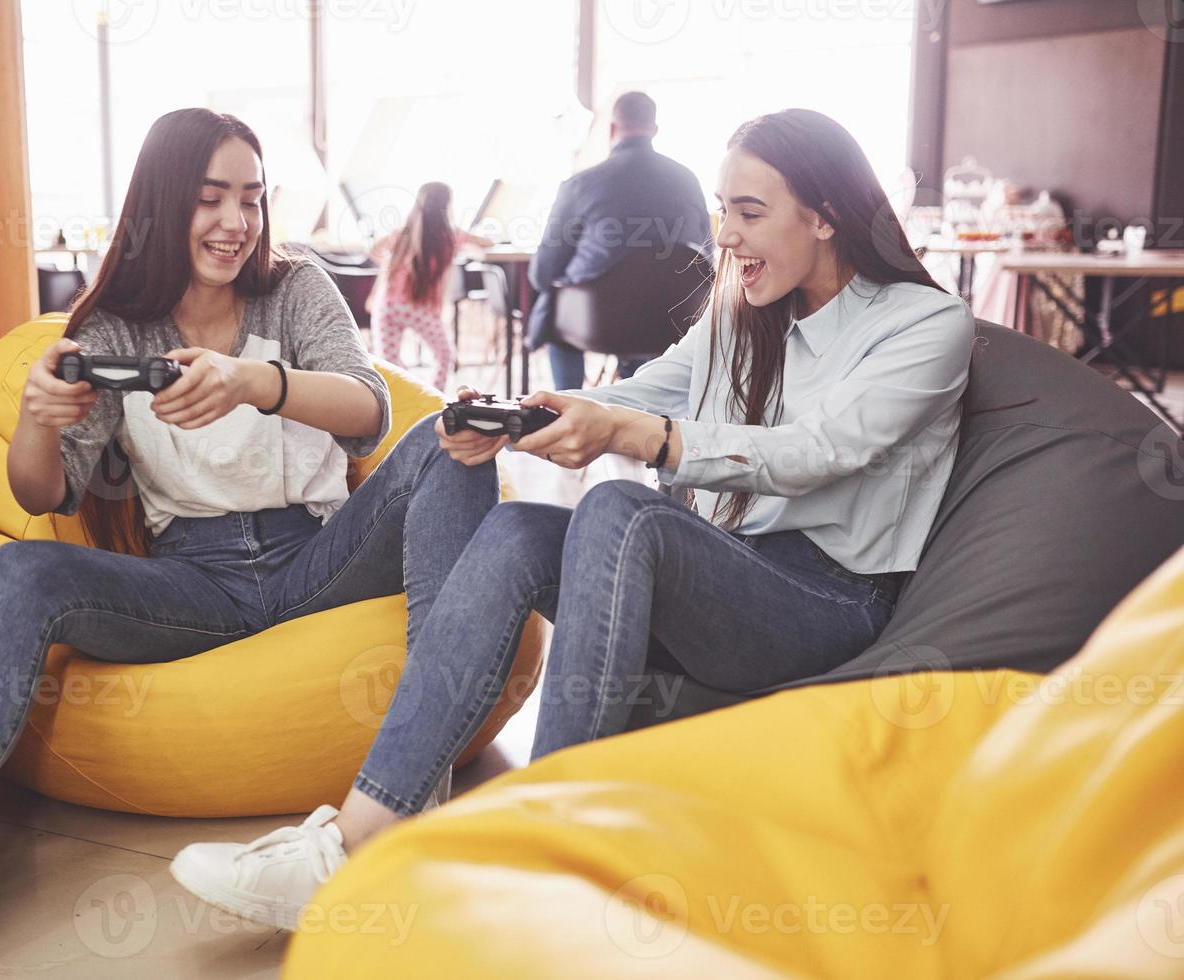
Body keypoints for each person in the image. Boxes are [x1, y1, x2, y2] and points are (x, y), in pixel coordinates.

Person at [0, 108, 505, 979]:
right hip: (194, 585)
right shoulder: (115, 327)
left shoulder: (295, 287)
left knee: (452, 443)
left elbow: (373, 413)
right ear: (163, 207)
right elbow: (39, 494)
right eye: (210, 200)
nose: (236, 223)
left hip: (318, 557)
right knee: (20, 570)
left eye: (250, 198)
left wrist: (256, 382)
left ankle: (396, 802)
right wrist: (36, 423)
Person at [168, 108, 974, 931]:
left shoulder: (924, 325)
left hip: (825, 603)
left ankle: (543, 862)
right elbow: (639, 391)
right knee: (519, 531)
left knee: (624, 507)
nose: (724, 237)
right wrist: (522, 415)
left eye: (749, 213)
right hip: (725, 575)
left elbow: (817, 450)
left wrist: (633, 437)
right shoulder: (743, 317)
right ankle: (363, 835)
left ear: (826, 214)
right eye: (721, 211)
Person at [528, 90, 713, 391]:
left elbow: (542, 274)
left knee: (553, 312)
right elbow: (707, 257)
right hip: (674, 320)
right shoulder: (689, 181)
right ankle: (645, 401)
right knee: (649, 328)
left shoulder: (580, 184)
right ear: (654, 129)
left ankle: (566, 405)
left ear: (612, 129)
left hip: (595, 323)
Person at [367, 182, 493, 391]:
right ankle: (434, 401)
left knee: (388, 365)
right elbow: (486, 243)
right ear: (447, 206)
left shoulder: (404, 233)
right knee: (444, 356)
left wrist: (394, 264)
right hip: (419, 307)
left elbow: (374, 249)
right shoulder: (451, 236)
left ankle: (401, 399)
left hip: (387, 305)